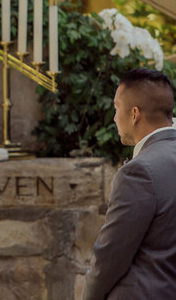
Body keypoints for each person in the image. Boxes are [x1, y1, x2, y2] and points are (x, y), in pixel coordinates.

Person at [82, 68, 176, 300]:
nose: (114, 117)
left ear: (134, 114)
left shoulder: (138, 171)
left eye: (116, 108)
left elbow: (110, 256)